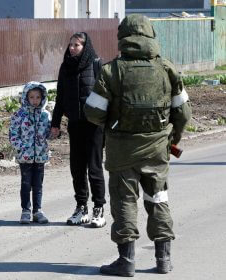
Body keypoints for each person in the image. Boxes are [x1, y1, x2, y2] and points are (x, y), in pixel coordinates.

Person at [84, 14, 192, 276]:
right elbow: (184, 113)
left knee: (124, 201)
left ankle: (126, 262)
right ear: (151, 36)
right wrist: (171, 139)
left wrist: (113, 124)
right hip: (157, 149)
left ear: (123, 38)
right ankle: (163, 260)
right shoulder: (167, 68)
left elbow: (92, 112)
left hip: (122, 150)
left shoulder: (111, 71)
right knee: (158, 199)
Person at [50, 32, 106, 227]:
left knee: (94, 168)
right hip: (75, 124)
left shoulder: (97, 65)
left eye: (77, 45)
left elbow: (107, 96)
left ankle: (98, 208)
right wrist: (55, 123)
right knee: (77, 168)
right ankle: (81, 207)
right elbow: (60, 97)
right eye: (71, 44)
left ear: (85, 47)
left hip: (95, 126)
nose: (72, 48)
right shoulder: (66, 67)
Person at [9, 82, 51, 224]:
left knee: (38, 184)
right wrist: (21, 147)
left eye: (38, 97)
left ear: (42, 98)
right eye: (31, 97)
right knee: (26, 184)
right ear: (26, 97)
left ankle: (38, 211)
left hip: (40, 156)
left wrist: (55, 133)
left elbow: (49, 133)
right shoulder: (19, 114)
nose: (35, 100)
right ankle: (25, 210)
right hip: (25, 157)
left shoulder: (45, 115)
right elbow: (13, 134)